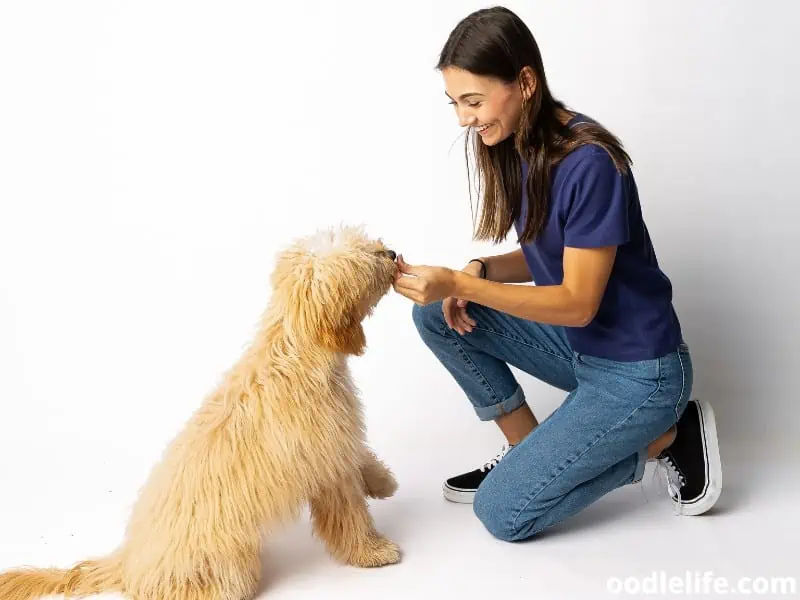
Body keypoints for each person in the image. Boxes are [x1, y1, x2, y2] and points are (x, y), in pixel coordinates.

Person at [392, 6, 722, 541]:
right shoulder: (520, 145)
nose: (463, 119)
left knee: (503, 514)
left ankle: (667, 438)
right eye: (454, 103)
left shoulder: (589, 162)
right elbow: (553, 254)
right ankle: (527, 452)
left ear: (525, 82)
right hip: (582, 351)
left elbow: (577, 301)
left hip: (640, 374)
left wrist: (461, 283)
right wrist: (477, 270)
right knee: (435, 313)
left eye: (473, 101)